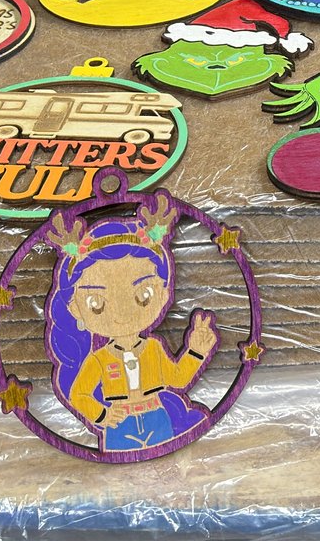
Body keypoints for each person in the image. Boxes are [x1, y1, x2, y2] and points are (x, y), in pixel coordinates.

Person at [42, 194, 218, 453]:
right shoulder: (99, 359)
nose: (122, 314)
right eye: (97, 303)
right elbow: (78, 394)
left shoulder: (154, 348)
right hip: (119, 424)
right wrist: (101, 415)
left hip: (157, 416)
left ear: (163, 295)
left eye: (142, 295)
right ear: (75, 309)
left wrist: (196, 351)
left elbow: (178, 379)